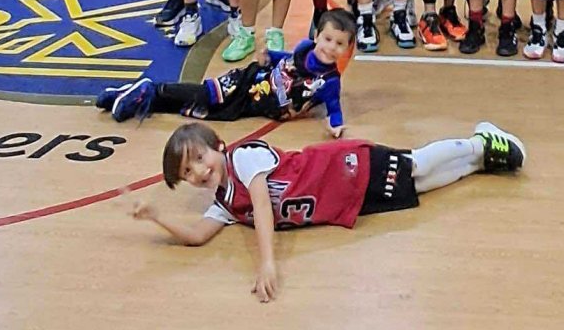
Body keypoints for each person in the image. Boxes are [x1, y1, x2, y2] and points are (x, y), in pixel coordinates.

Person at [132, 119, 525, 302]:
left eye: (200, 159)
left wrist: (267, 263)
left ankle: (478, 142)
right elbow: (198, 236)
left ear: (218, 146)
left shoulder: (243, 157)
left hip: (345, 166)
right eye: (187, 172)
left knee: (416, 165)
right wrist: (157, 217)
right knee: (418, 187)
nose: (199, 172)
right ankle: (479, 162)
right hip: (343, 200)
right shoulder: (224, 203)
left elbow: (263, 206)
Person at [97, 9, 355, 132]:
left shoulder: (330, 81)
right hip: (249, 80)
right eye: (328, 39)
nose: (331, 47)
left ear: (347, 49)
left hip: (253, 104)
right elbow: (286, 58)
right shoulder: (303, 49)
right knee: (205, 94)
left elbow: (334, 108)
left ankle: (139, 97)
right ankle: (152, 88)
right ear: (317, 36)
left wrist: (336, 127)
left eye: (340, 44)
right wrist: (269, 55)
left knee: (201, 108)